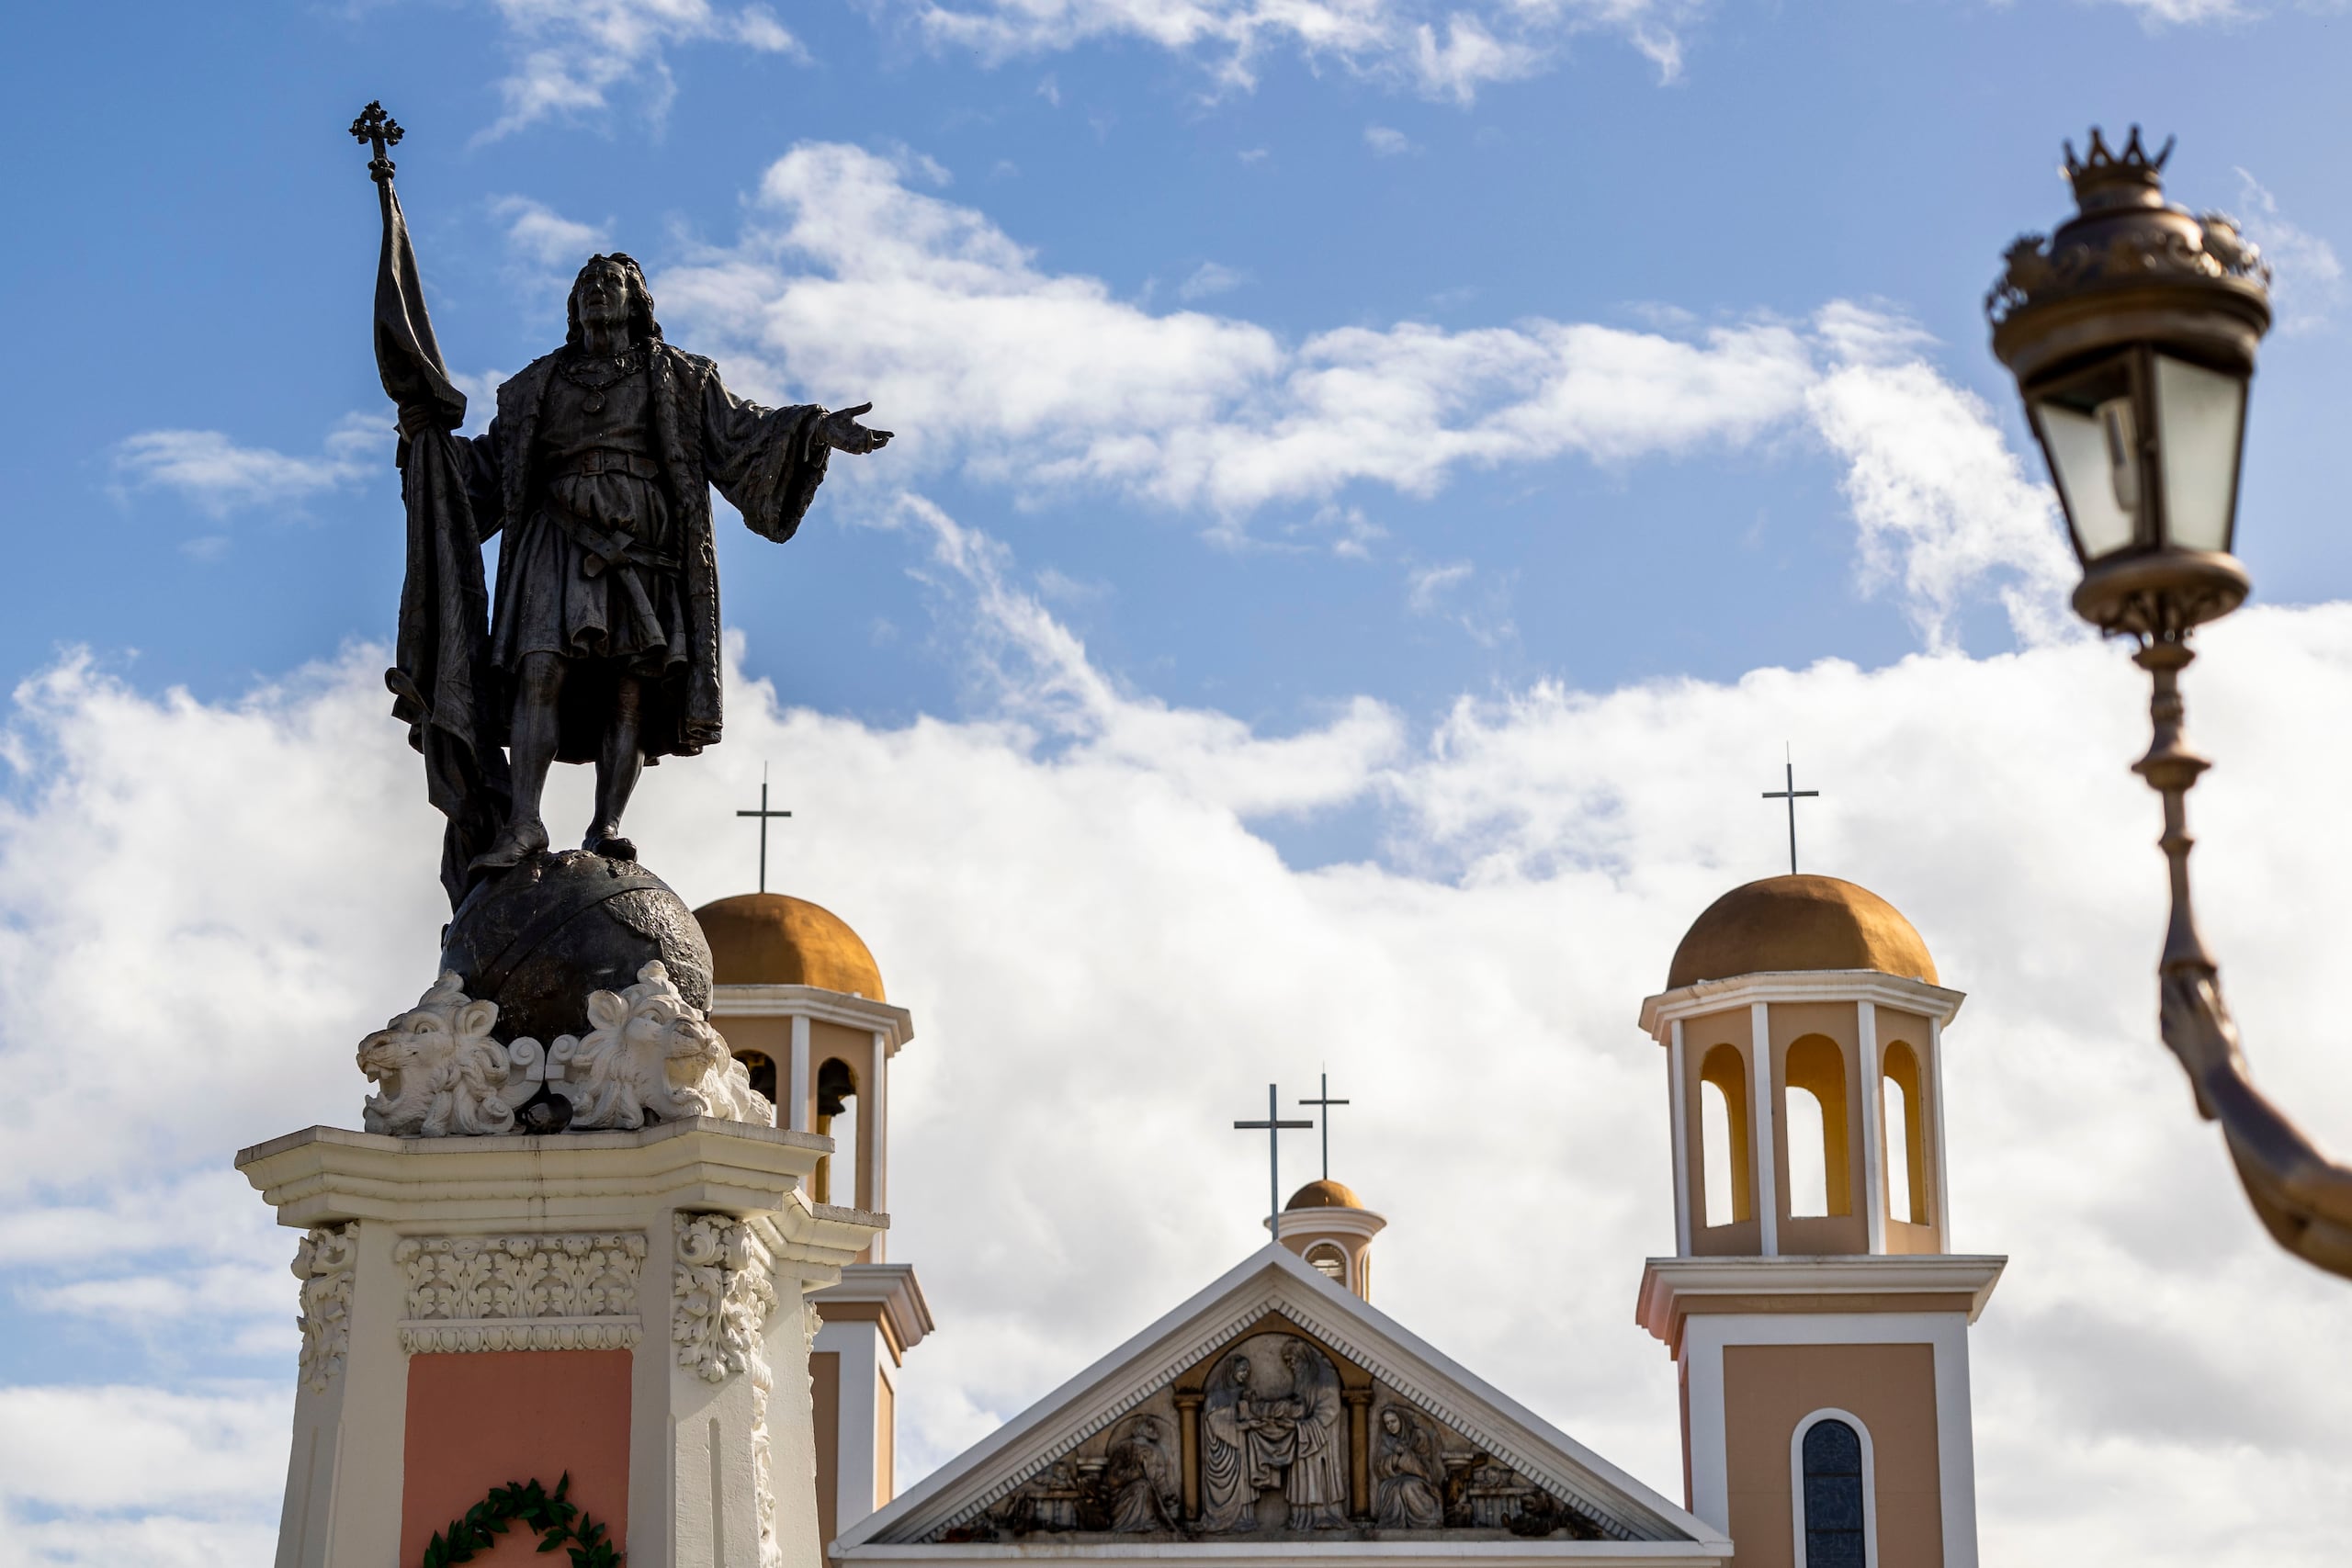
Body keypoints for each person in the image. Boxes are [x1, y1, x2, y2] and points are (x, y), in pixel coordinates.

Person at [435, 254, 890, 870]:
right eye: (586, 284)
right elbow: (489, 468)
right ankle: (524, 821)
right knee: (537, 669)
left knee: (630, 687)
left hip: (642, 548)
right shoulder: (531, 389)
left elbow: (742, 432)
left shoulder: (679, 377)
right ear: (574, 306)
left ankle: (608, 822)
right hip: (556, 538)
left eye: (612, 283)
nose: (597, 290)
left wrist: (815, 429)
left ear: (637, 302)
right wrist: (432, 453)